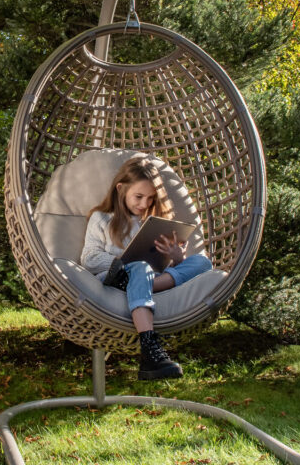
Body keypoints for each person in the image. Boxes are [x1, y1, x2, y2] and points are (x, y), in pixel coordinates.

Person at [80, 155, 212, 380]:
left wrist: (176, 258)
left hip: (152, 277)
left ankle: (143, 285)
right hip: (114, 278)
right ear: (121, 189)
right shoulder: (102, 218)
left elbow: (168, 265)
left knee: (202, 262)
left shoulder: (152, 222)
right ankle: (150, 351)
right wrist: (125, 261)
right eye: (138, 197)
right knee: (140, 267)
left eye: (150, 198)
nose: (144, 204)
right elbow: (89, 259)